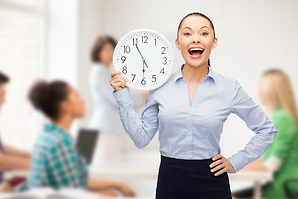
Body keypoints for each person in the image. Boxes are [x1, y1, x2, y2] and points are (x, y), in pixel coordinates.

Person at [109, 12, 277, 199]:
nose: (196, 39)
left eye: (204, 34)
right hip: (170, 182)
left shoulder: (229, 88)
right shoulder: (159, 88)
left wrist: (235, 162)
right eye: (187, 34)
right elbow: (141, 139)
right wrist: (122, 94)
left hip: (213, 183)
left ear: (214, 42)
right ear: (178, 43)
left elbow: (266, 130)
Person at [28, 80, 135, 197]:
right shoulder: (60, 143)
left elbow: (78, 181)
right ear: (65, 105)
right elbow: (71, 193)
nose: (82, 101)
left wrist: (116, 186)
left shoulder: (50, 137)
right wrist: (102, 195)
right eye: (76, 96)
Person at [233, 69, 298, 198]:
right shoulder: (280, 116)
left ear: (272, 91)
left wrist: (234, 166)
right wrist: (236, 164)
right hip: (279, 185)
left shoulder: (283, 118)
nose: (259, 92)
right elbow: (266, 159)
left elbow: (271, 164)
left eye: (262, 87)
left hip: (284, 188)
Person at [89, 35, 145, 163]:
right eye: (107, 50)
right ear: (98, 52)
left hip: (105, 128)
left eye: (113, 49)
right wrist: (141, 98)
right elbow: (115, 98)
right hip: (104, 128)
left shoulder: (104, 71)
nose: (112, 53)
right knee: (109, 170)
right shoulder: (99, 71)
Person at [0, 69, 31, 191]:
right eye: (2, 94)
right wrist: (41, 165)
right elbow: (0, 163)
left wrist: (31, 155)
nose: (4, 100)